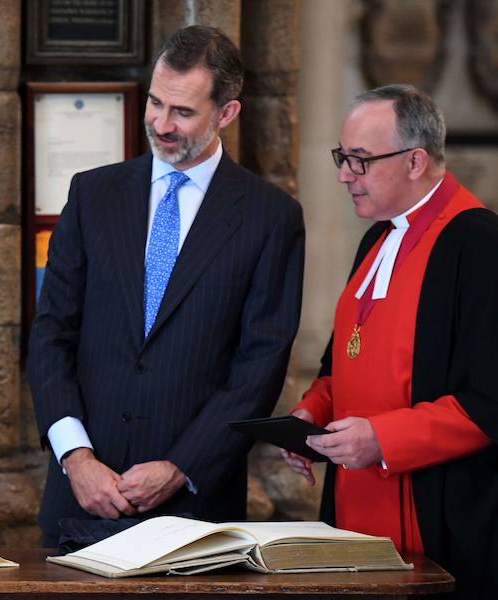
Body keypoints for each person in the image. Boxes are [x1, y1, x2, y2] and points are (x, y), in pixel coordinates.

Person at [28, 25, 305, 545]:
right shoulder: (93, 195)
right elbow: (51, 336)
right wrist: (76, 458)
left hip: (195, 510)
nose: (160, 123)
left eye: (182, 112)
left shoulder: (271, 218)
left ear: (226, 113)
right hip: (81, 502)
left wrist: (181, 466)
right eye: (156, 103)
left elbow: (259, 365)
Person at [282, 84, 498, 597]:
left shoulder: (478, 244)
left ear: (415, 160)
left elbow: (489, 403)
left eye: (359, 160)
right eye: (343, 157)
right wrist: (311, 414)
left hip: (438, 516)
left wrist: (382, 439)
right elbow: (345, 357)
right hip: (355, 503)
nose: (342, 176)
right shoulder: (376, 237)